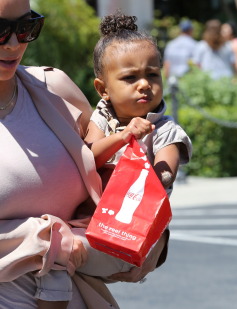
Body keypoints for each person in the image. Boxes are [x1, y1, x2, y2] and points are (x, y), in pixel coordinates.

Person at [0, 1, 171, 309]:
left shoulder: (53, 89)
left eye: (25, 28)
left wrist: (149, 230)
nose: (14, 43)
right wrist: (46, 239)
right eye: (0, 30)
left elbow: (105, 170)